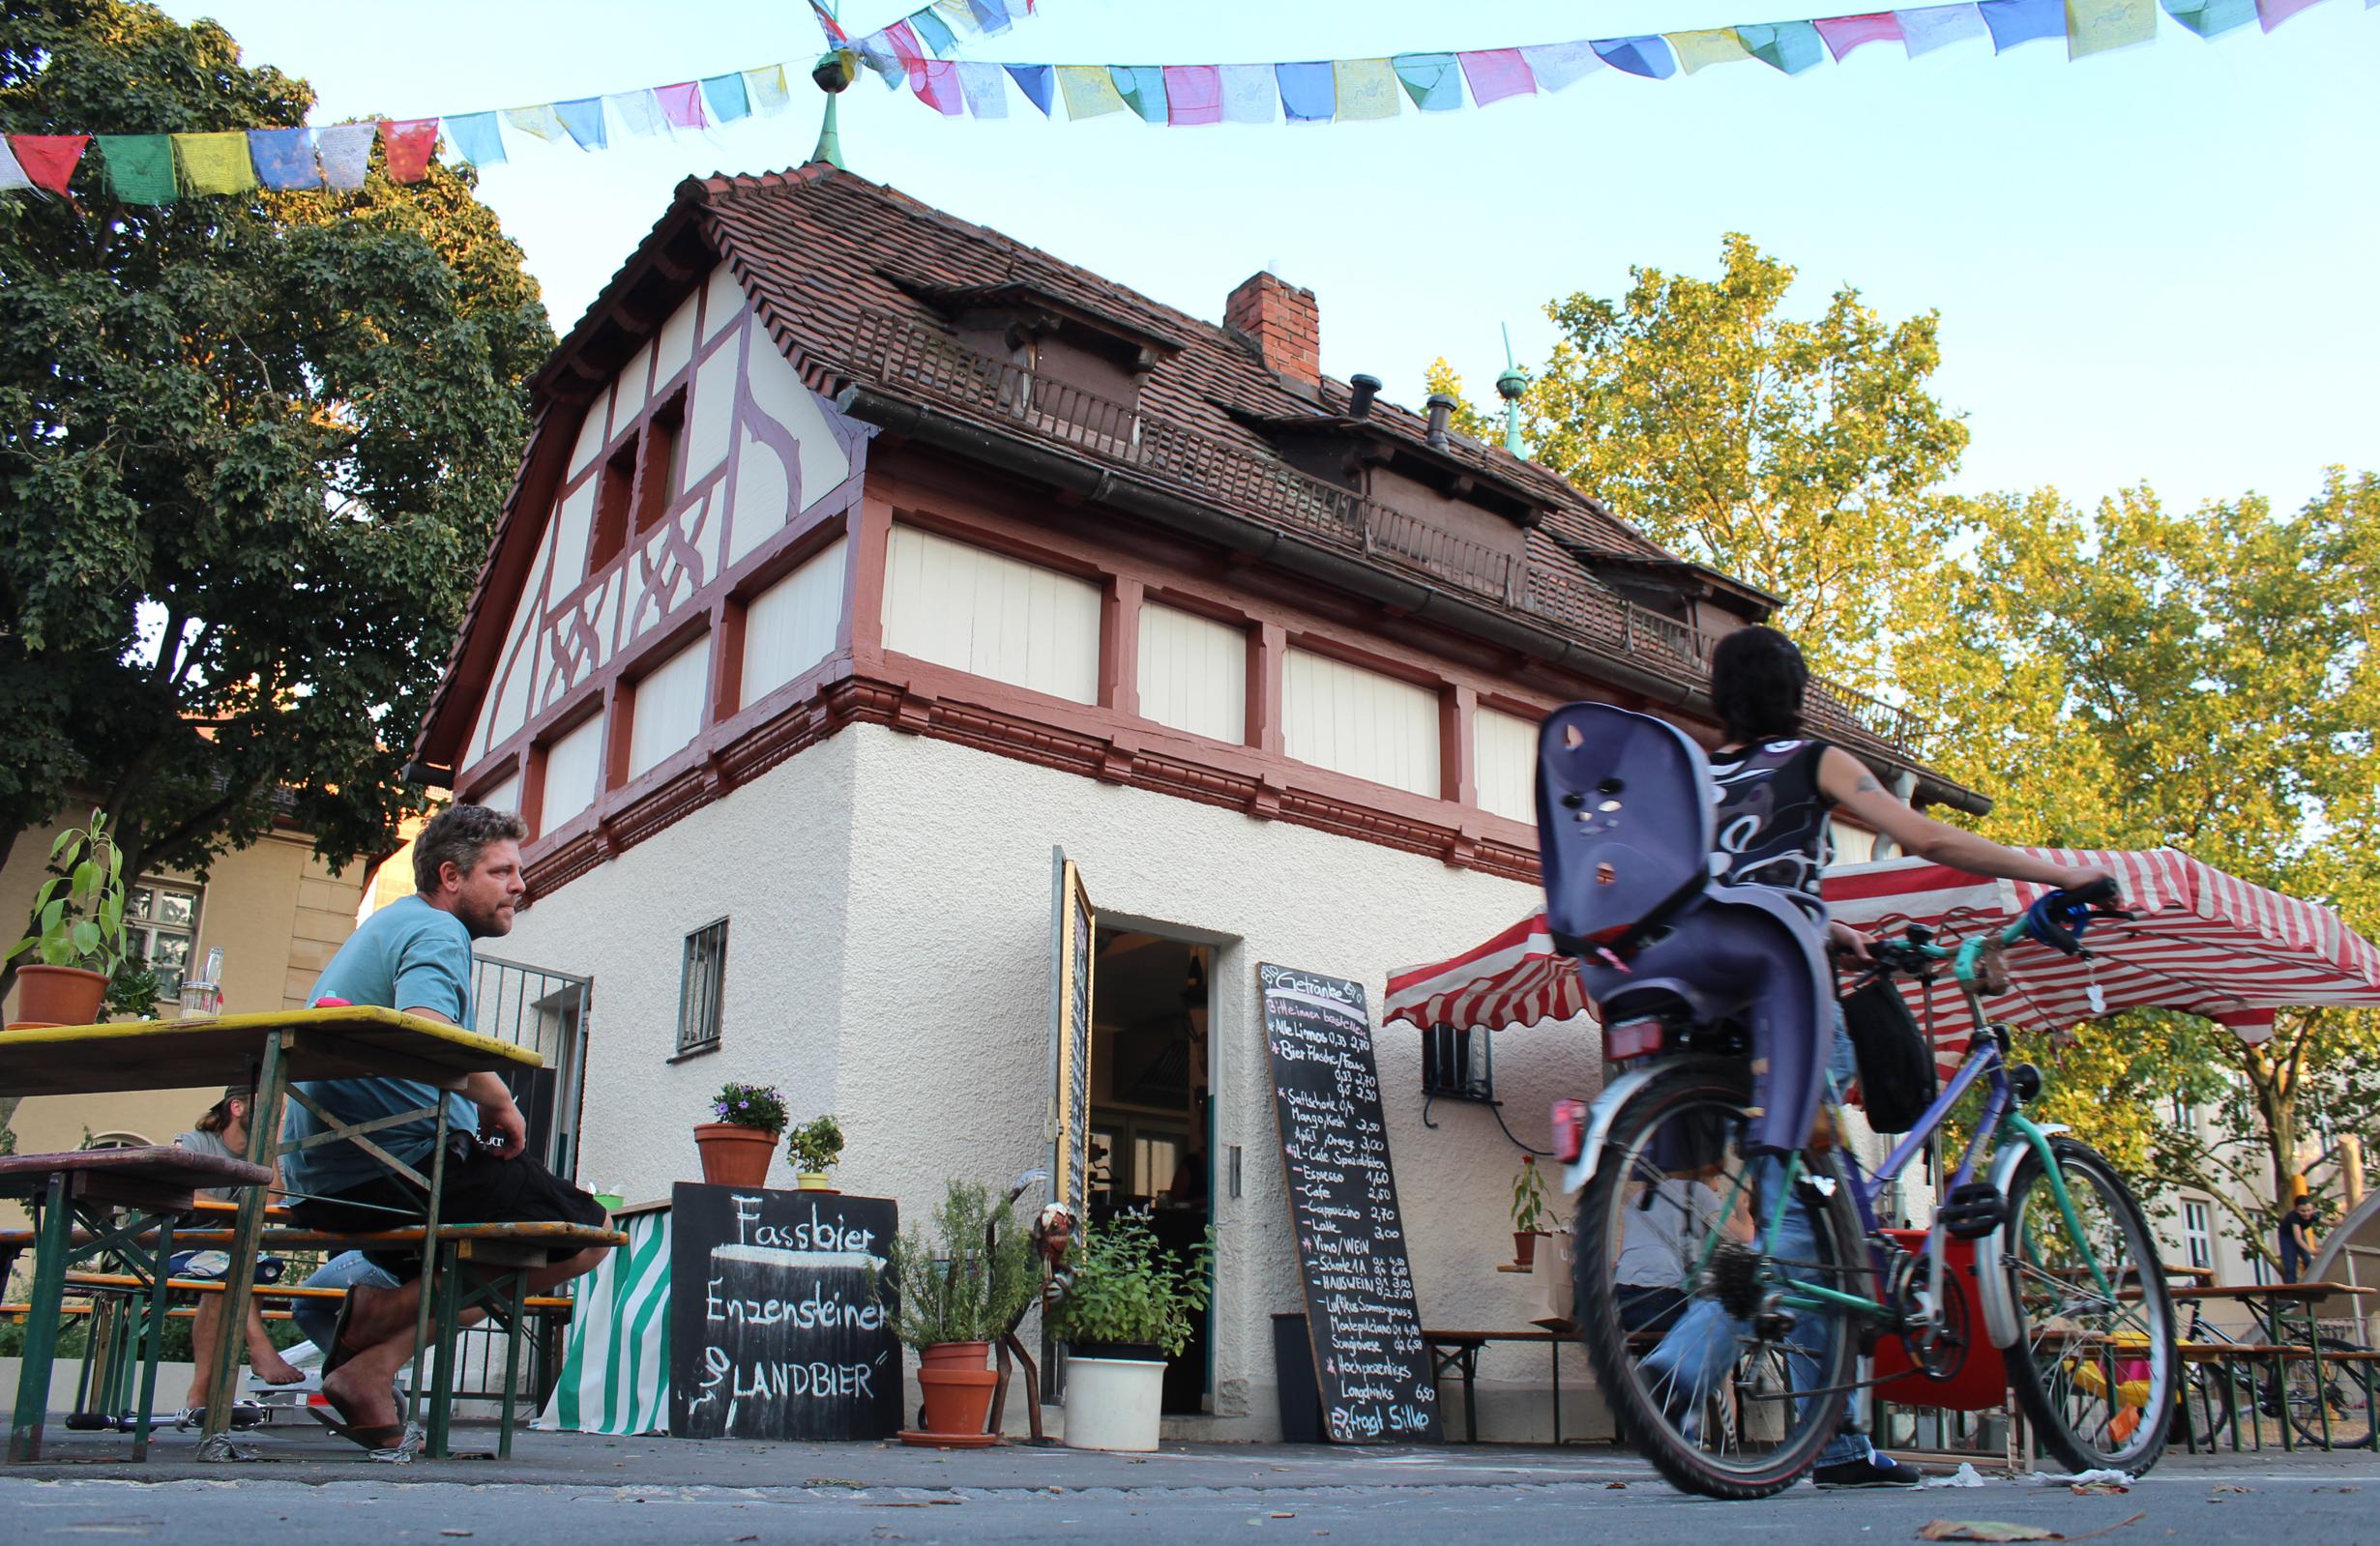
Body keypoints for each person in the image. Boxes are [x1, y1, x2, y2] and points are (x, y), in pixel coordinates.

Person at [1641, 626, 2117, 1489]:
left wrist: (1840, 931)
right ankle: (1690, 1372)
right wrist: (2054, 874)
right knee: (1803, 1222)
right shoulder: (1810, 759)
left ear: (1719, 696)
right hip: (1784, 996)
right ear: (1796, 691)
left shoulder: (1695, 778)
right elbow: (1922, 834)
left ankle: (1833, 1432)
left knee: (1807, 1214)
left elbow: (1725, 886)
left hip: (1698, 999)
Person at [280, 804, 606, 1451]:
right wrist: (499, 1099)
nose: (520, 884)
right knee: (585, 1234)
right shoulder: (434, 930)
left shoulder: (390, 925)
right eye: (503, 870)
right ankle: (376, 1335)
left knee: (512, 1244)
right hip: (396, 1168)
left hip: (331, 1175)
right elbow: (425, 1030)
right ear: (451, 876)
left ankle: (371, 1361)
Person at [172, 1088, 304, 1419]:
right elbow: (182, 1192)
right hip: (174, 1244)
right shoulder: (197, 1142)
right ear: (236, 1107)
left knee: (244, 1269)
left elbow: (271, 1207)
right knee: (233, 1269)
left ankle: (203, 1394)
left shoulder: (264, 1157)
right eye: (271, 1107)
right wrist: (237, 1211)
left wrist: (269, 1147)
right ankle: (260, 1350)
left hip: (226, 1252)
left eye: (281, 1110)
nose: (279, 1117)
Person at [2279, 1193, 2320, 1284]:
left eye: (2308, 1210)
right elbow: (2298, 1239)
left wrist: (2337, 1223)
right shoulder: (2293, 1217)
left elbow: (2328, 1222)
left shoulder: (2312, 1215)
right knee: (2290, 1266)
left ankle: (2311, 1282)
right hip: (2287, 1237)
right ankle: (2291, 1289)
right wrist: (2311, 1250)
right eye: (2302, 1211)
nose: (2306, 1214)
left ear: (2312, 1210)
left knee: (2308, 1260)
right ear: (2296, 1210)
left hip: (2300, 1235)